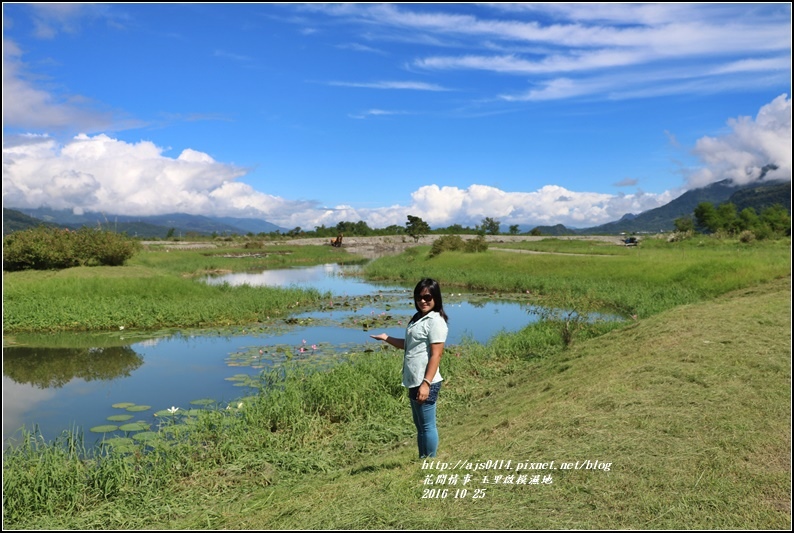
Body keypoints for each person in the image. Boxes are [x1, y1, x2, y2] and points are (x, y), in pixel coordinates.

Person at [371, 278, 449, 458]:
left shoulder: (435, 321)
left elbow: (436, 355)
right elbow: (409, 345)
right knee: (420, 425)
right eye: (419, 297)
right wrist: (386, 338)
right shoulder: (418, 318)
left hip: (425, 381)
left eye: (427, 297)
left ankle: (430, 462)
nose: (423, 301)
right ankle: (423, 459)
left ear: (435, 298)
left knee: (428, 425)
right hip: (414, 379)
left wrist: (426, 383)